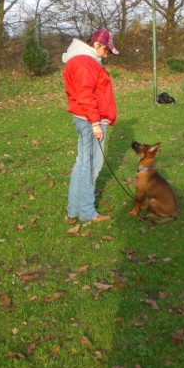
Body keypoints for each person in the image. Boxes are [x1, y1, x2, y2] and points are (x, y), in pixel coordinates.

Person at [62, 29, 119, 223]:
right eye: (107, 50)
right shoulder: (85, 62)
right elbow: (85, 94)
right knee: (90, 166)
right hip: (90, 120)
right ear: (97, 44)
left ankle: (73, 211)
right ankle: (86, 212)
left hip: (85, 118)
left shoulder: (80, 59)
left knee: (82, 163)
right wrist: (95, 122)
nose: (107, 54)